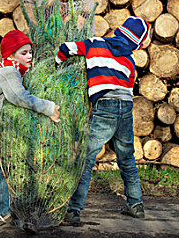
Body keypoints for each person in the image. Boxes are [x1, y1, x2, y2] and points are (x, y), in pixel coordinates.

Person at [55, 16, 152, 224]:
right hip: (125, 106)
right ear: (137, 43)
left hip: (105, 105)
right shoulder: (130, 60)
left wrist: (57, 64)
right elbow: (130, 83)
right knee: (126, 157)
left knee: (87, 157)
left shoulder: (95, 43)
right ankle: (136, 204)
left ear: (120, 30)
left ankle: (74, 210)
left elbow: (66, 48)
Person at [0, 29, 61, 223]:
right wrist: (48, 107)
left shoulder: (15, 71)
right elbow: (20, 98)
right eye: (23, 53)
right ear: (10, 55)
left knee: (9, 164)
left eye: (30, 52)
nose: (29, 56)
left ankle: (10, 205)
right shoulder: (9, 72)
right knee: (4, 166)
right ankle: (0, 211)